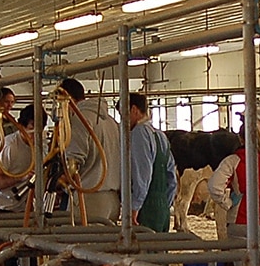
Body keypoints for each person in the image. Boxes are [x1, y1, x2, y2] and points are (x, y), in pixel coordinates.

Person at [56, 78, 123, 223]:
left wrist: (59, 181)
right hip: (112, 200)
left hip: (89, 198)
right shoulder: (111, 122)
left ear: (67, 99)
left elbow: (73, 164)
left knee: (78, 243)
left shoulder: (80, 120)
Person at [208, 124, 260, 249]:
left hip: (240, 222)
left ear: (240, 138)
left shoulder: (232, 161)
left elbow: (214, 186)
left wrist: (227, 203)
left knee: (242, 265)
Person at [124, 93, 178, 231]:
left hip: (146, 207)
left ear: (134, 110)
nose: (123, 120)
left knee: (143, 248)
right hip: (162, 207)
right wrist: (165, 204)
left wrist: (135, 207)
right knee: (160, 249)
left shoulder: (138, 133)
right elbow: (172, 177)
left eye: (123, 114)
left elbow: (143, 174)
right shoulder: (161, 135)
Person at [0, 105, 38, 213]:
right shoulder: (9, 146)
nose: (35, 135)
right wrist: (20, 178)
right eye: (32, 129)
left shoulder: (41, 144)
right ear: (21, 127)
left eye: (39, 130)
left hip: (21, 205)